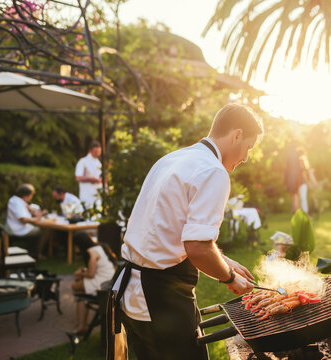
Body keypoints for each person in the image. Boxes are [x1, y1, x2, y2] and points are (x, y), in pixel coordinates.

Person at [111, 104, 262, 359]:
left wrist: (224, 260)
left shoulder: (173, 159)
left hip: (131, 292)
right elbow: (198, 248)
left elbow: (168, 230)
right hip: (161, 298)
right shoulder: (214, 171)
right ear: (236, 135)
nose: (246, 157)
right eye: (248, 147)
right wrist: (229, 278)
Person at [71, 233, 116, 335]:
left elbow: (91, 274)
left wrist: (80, 273)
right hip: (109, 279)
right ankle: (82, 325)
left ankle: (82, 326)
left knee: (75, 286)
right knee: (81, 293)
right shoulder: (100, 247)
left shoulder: (91, 252)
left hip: (102, 283)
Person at [5, 184, 46, 259]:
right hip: (18, 230)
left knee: (41, 228)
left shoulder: (17, 200)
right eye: (31, 195)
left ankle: (35, 253)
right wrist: (36, 219)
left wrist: (31, 210)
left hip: (17, 228)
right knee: (42, 230)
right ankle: (35, 254)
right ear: (26, 196)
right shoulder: (16, 202)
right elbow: (23, 219)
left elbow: (27, 210)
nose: (31, 197)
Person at [75, 141, 102, 209]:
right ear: (90, 151)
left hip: (97, 193)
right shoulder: (83, 161)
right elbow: (78, 178)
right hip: (87, 194)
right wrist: (91, 179)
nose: (97, 153)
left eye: (99, 152)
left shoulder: (98, 162)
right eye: (95, 151)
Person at [296, 147, 318, 214]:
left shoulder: (304, 162)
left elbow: (308, 173)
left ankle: (305, 213)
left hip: (303, 182)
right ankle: (300, 213)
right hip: (298, 182)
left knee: (303, 198)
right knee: (300, 198)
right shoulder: (296, 162)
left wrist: (313, 181)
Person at [284, 142, 302, 212]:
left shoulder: (288, 156)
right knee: (296, 196)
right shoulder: (297, 155)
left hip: (290, 178)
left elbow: (286, 168)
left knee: (293, 196)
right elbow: (300, 167)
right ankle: (296, 211)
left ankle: (294, 210)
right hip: (296, 178)